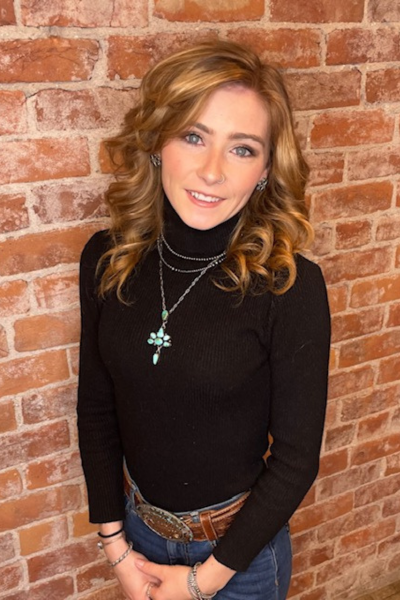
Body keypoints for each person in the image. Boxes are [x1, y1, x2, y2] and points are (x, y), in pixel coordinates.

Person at [77, 40, 331, 600]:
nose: (212, 171)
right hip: (138, 537)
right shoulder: (107, 258)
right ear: (156, 142)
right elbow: (95, 408)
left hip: (241, 557)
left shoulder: (289, 285)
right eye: (193, 136)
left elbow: (295, 461)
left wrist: (202, 581)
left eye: (241, 149)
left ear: (265, 169)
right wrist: (116, 546)